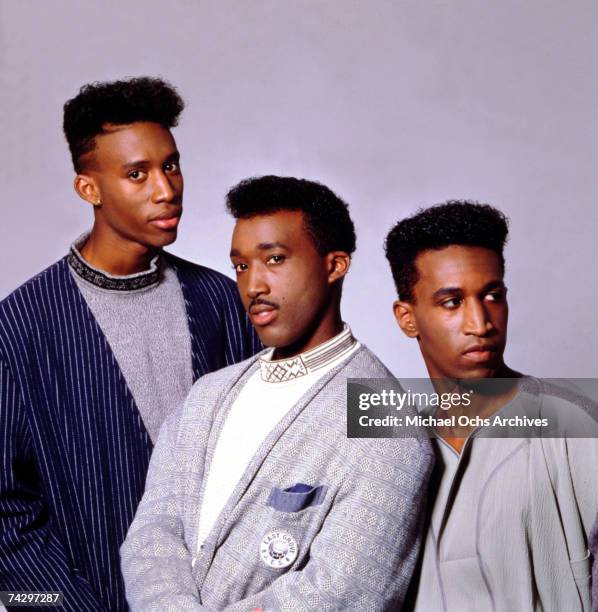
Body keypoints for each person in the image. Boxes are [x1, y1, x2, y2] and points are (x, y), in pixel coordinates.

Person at [0, 77, 260, 612]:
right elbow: (5, 512)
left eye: (171, 165)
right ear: (88, 188)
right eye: (137, 174)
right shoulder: (22, 326)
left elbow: (295, 433)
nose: (166, 190)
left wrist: (476, 402)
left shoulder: (220, 301)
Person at [121, 175, 434, 611]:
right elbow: (153, 535)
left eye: (275, 259)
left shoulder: (386, 423)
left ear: (334, 265)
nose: (253, 286)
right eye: (242, 266)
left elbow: (339, 595)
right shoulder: (206, 396)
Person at [385, 201, 598, 611]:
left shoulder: (576, 426)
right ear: (407, 318)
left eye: (492, 296)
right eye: (452, 302)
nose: (481, 324)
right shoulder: (395, 447)